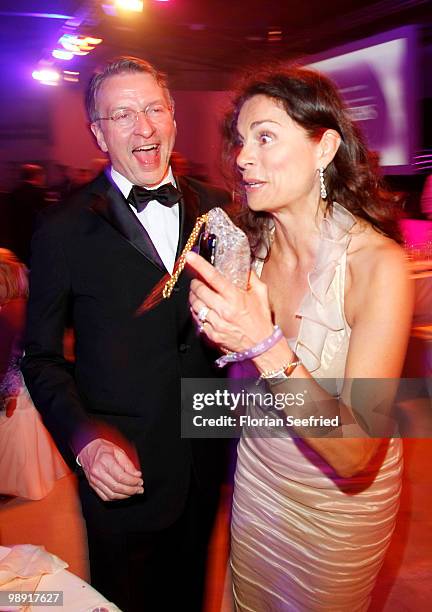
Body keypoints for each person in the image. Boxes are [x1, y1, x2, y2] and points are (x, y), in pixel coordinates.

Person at [186, 67, 414, 611]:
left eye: (265, 136)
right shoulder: (250, 248)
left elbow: (357, 451)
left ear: (324, 148)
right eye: (241, 140)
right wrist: (223, 334)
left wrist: (264, 344)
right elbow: (247, 389)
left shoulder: (377, 266)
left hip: (337, 508)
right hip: (261, 480)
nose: (242, 158)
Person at [21, 56, 229, 612]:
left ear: (173, 117)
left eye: (154, 108)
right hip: (121, 467)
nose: (144, 127)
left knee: (190, 591)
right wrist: (84, 441)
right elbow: (39, 357)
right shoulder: (61, 229)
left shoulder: (220, 210)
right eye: (123, 114)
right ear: (98, 133)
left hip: (207, 449)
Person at [0, 249, 69, 499]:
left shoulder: (10, 311)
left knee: (18, 441)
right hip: (27, 383)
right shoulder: (23, 305)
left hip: (15, 385)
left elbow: (7, 357)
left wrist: (7, 391)